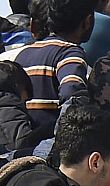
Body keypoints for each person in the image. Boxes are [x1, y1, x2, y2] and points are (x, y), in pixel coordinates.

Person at [15, 0, 92, 128]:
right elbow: (71, 93)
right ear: (87, 22)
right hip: (51, 143)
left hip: (23, 141)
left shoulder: (23, 54)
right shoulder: (69, 53)